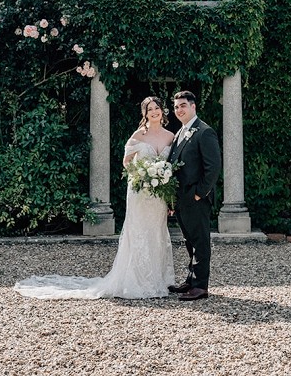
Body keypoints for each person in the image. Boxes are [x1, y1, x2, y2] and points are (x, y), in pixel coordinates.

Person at [13, 96, 176, 299]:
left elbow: (172, 166)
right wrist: (142, 175)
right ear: (144, 114)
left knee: (157, 232)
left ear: (163, 111)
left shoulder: (171, 137)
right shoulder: (138, 135)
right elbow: (127, 162)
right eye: (149, 109)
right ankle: (139, 280)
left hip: (158, 195)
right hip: (140, 192)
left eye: (157, 108)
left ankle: (158, 279)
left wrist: (164, 187)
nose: (154, 112)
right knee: (139, 232)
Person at [166, 89, 221, 301]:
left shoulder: (204, 132)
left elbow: (213, 167)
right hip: (181, 199)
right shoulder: (180, 132)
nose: (179, 110)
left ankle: (200, 286)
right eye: (176, 106)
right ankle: (191, 281)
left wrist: (199, 194)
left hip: (196, 198)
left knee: (200, 241)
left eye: (183, 106)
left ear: (193, 107)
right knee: (190, 241)